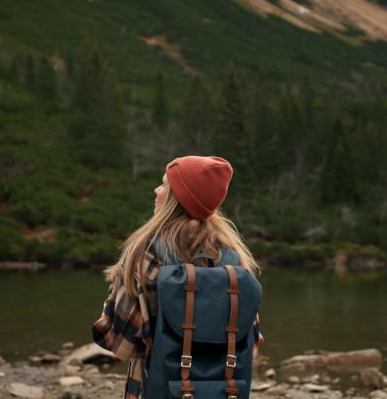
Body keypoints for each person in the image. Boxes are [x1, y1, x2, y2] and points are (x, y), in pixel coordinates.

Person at [91, 155, 265, 399]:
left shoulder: (147, 253)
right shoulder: (234, 259)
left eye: (163, 185)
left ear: (177, 198)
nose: (156, 190)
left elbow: (120, 343)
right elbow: (251, 346)